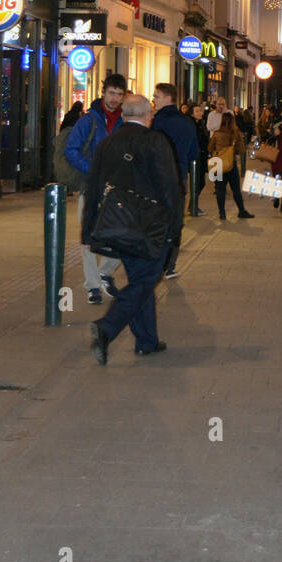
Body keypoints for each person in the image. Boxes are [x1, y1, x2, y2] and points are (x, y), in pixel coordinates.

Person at [84, 94, 182, 365]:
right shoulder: (154, 141)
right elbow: (169, 186)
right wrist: (175, 226)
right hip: (149, 226)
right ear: (148, 116)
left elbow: (92, 186)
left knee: (141, 279)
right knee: (144, 281)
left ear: (125, 115)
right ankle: (107, 327)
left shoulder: (107, 144)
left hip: (116, 225)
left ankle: (147, 341)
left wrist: (88, 229)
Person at [64, 73, 126, 304]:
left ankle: (105, 272)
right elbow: (71, 150)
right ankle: (92, 286)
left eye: (119, 95)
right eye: (112, 93)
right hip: (91, 187)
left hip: (117, 188)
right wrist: (92, 170)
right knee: (88, 238)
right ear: (103, 93)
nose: (115, 99)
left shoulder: (124, 121)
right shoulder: (88, 120)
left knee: (124, 234)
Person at [151, 84, 199, 278]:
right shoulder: (187, 123)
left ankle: (156, 259)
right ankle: (170, 263)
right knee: (176, 219)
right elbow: (194, 152)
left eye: (157, 96)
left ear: (168, 98)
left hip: (156, 176)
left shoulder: (155, 122)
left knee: (156, 218)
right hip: (179, 176)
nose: (154, 99)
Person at [209, 112, 254, 220]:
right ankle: (241, 211)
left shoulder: (216, 133)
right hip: (230, 163)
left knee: (220, 189)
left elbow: (210, 148)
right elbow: (241, 150)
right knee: (236, 189)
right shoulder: (235, 133)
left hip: (218, 164)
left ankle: (222, 213)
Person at [192, 104, 210, 210]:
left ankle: (193, 204)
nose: (200, 113)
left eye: (200, 111)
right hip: (196, 156)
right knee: (198, 181)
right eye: (197, 111)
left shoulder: (201, 124)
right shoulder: (191, 125)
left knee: (202, 182)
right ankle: (193, 205)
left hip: (203, 155)